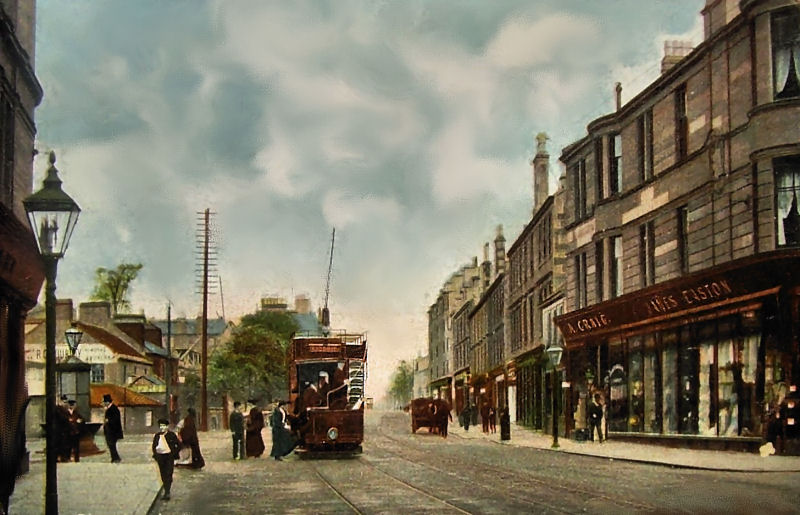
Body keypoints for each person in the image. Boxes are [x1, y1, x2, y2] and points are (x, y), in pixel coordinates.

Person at [152, 418, 181, 501]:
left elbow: (179, 445)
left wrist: (174, 453)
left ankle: (167, 491)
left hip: (169, 457)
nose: (162, 428)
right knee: (163, 474)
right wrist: (156, 455)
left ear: (167, 426)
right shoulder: (157, 436)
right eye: (161, 426)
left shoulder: (171, 435)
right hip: (160, 457)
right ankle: (165, 489)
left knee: (168, 473)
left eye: (164, 426)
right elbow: (154, 446)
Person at [102, 394, 123, 463]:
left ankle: (116, 458)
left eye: (105, 402)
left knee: (112, 445)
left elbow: (116, 419)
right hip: (109, 431)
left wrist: (108, 420)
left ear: (108, 402)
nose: (104, 404)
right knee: (111, 445)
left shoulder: (114, 409)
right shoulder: (108, 409)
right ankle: (114, 458)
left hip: (113, 431)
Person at [55, 395, 71, 462]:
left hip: (65, 430)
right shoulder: (58, 409)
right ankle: (61, 457)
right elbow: (62, 418)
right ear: (60, 401)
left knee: (65, 445)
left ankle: (65, 457)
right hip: (60, 430)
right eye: (64, 402)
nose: (65, 403)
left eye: (66, 402)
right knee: (60, 445)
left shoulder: (66, 410)